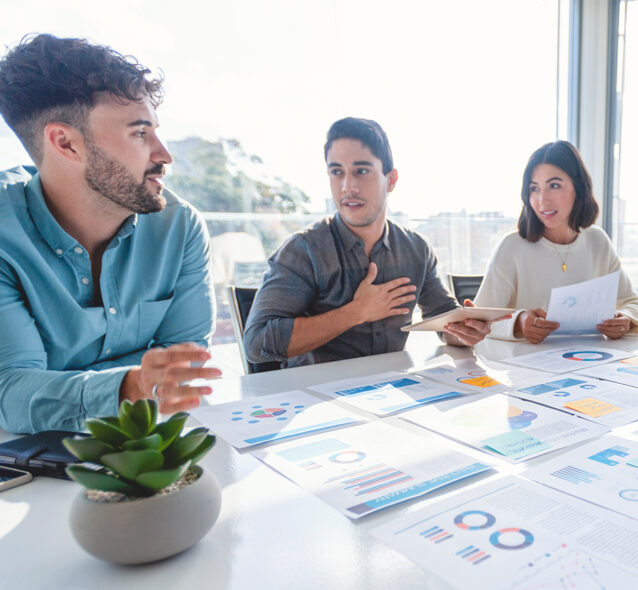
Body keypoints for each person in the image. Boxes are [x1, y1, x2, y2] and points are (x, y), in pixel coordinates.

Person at [0, 35, 218, 434]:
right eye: (140, 133)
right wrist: (131, 383)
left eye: (156, 130)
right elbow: (11, 393)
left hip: (150, 447)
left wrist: (60, 385)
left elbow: (184, 374)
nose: (164, 155)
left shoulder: (180, 228)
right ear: (66, 143)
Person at [243, 117, 499, 367]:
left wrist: (466, 331)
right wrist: (357, 312)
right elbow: (256, 344)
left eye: (361, 171)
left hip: (387, 395)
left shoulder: (416, 249)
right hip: (317, 401)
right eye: (336, 172)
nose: (347, 187)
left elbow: (444, 319)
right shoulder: (302, 250)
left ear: (391, 180)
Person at [474, 140, 638, 343]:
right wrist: (518, 322)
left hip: (590, 363)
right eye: (534, 188)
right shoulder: (511, 247)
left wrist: (625, 320)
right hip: (526, 368)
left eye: (554, 186)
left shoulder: (598, 241)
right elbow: (478, 321)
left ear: (578, 188)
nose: (542, 200)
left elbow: (632, 302)